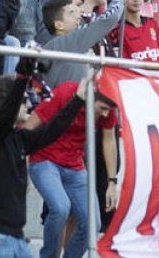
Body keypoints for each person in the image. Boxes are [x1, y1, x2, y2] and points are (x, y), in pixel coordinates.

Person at [0, 66, 89, 258]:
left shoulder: (18, 138)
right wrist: (22, 76)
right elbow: (4, 117)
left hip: (14, 239)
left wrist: (78, 99)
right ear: (10, 101)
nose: (30, 104)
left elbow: (52, 130)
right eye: (24, 99)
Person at [23, 77, 118, 258]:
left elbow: (109, 140)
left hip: (74, 165)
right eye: (102, 109)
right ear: (91, 97)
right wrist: (21, 166)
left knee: (93, 224)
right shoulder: (66, 93)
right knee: (60, 208)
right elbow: (29, 126)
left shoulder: (108, 109)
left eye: (109, 110)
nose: (105, 115)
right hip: (45, 159)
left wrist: (112, 182)